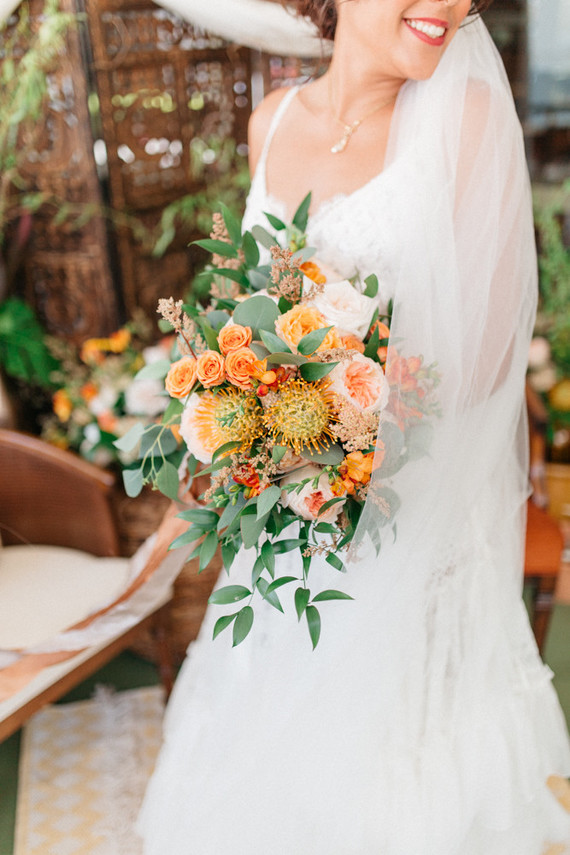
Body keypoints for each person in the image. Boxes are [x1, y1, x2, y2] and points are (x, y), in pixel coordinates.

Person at [137, 2, 570, 852]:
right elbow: (253, 306)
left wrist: (350, 426)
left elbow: (484, 365)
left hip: (417, 519)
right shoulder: (272, 122)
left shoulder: (466, 120)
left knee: (397, 771)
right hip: (288, 527)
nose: (451, 5)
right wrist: (253, 424)